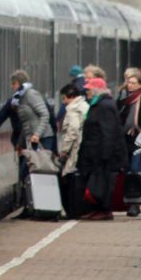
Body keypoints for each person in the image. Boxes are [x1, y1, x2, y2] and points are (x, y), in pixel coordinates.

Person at [0, 70, 51, 218]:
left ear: (18, 84)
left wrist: (43, 137)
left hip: (38, 140)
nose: (11, 87)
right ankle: (29, 207)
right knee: (25, 174)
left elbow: (48, 115)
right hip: (23, 142)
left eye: (13, 84)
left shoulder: (32, 96)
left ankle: (40, 208)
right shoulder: (14, 101)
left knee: (30, 172)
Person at [75, 76, 127, 220]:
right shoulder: (98, 104)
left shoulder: (105, 106)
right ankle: (97, 209)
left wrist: (105, 154)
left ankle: (105, 210)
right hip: (94, 152)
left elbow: (108, 132)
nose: (87, 92)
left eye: (89, 90)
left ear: (97, 90)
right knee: (97, 183)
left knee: (103, 184)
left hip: (103, 154)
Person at [117, 68, 141, 216]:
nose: (129, 85)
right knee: (126, 170)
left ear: (140, 84)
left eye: (133, 82)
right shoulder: (124, 99)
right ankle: (128, 200)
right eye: (128, 82)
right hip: (126, 138)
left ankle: (135, 203)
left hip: (140, 138)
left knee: (135, 169)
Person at [56, 82, 88, 217]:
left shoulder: (72, 109)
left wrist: (64, 150)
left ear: (71, 96)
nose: (64, 102)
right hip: (83, 147)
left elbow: (73, 130)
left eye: (64, 98)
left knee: (69, 177)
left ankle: (72, 210)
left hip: (74, 148)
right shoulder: (85, 105)